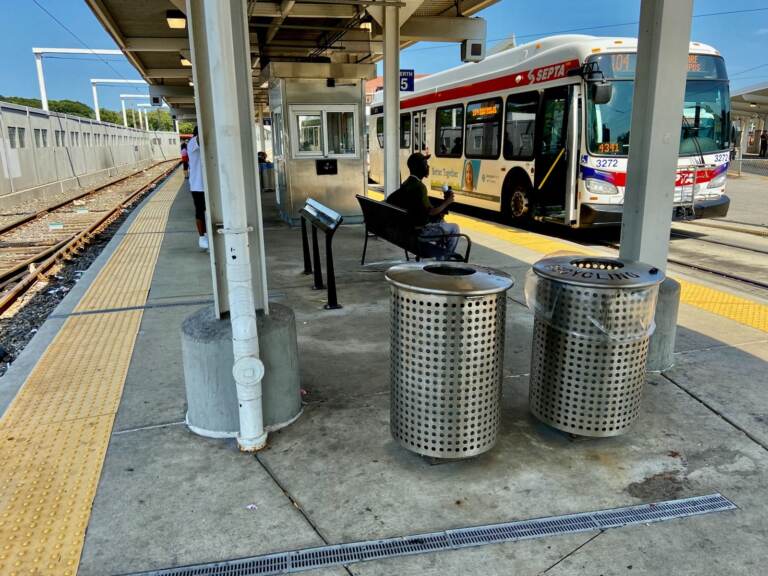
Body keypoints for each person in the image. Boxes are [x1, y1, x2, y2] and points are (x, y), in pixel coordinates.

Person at [387, 152, 461, 257]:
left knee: (442, 221)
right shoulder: (420, 187)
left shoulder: (407, 183)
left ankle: (442, 257)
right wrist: (447, 202)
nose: (428, 166)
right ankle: (446, 258)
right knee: (454, 228)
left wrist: (441, 209)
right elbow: (431, 212)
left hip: (408, 230)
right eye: (425, 164)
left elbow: (422, 209)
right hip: (419, 232)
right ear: (419, 167)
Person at [186, 126, 208, 251]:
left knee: (208, 211)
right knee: (200, 211)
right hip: (198, 185)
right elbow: (201, 138)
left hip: (208, 185)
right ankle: (202, 237)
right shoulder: (193, 142)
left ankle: (207, 235)